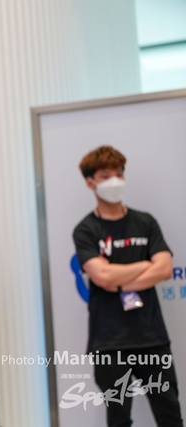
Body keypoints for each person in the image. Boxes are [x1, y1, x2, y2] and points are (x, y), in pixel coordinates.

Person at [72, 145, 183, 427]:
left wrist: (120, 283)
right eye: (105, 176)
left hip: (152, 338)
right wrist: (145, 265)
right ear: (90, 182)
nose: (115, 181)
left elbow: (164, 268)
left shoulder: (145, 222)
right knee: (119, 419)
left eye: (119, 174)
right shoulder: (86, 230)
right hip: (109, 342)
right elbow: (102, 277)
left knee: (170, 416)